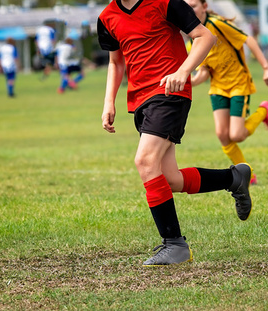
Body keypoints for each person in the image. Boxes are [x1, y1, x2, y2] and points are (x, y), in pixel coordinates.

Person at [98, 0, 253, 266]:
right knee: (169, 179)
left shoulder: (165, 2)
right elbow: (115, 62)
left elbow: (206, 37)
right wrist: (108, 101)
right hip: (140, 100)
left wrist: (182, 71)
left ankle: (175, 245)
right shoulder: (106, 17)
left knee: (145, 161)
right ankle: (234, 178)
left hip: (170, 93)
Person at [185, 0, 268, 185]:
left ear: (204, 7)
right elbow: (204, 73)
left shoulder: (217, 24)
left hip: (238, 83)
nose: (190, 10)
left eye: (194, 6)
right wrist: (187, 82)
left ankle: (264, 111)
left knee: (237, 135)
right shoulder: (192, 40)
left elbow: (248, 40)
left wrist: (266, 68)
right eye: (186, 7)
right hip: (218, 88)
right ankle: (248, 174)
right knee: (222, 135)